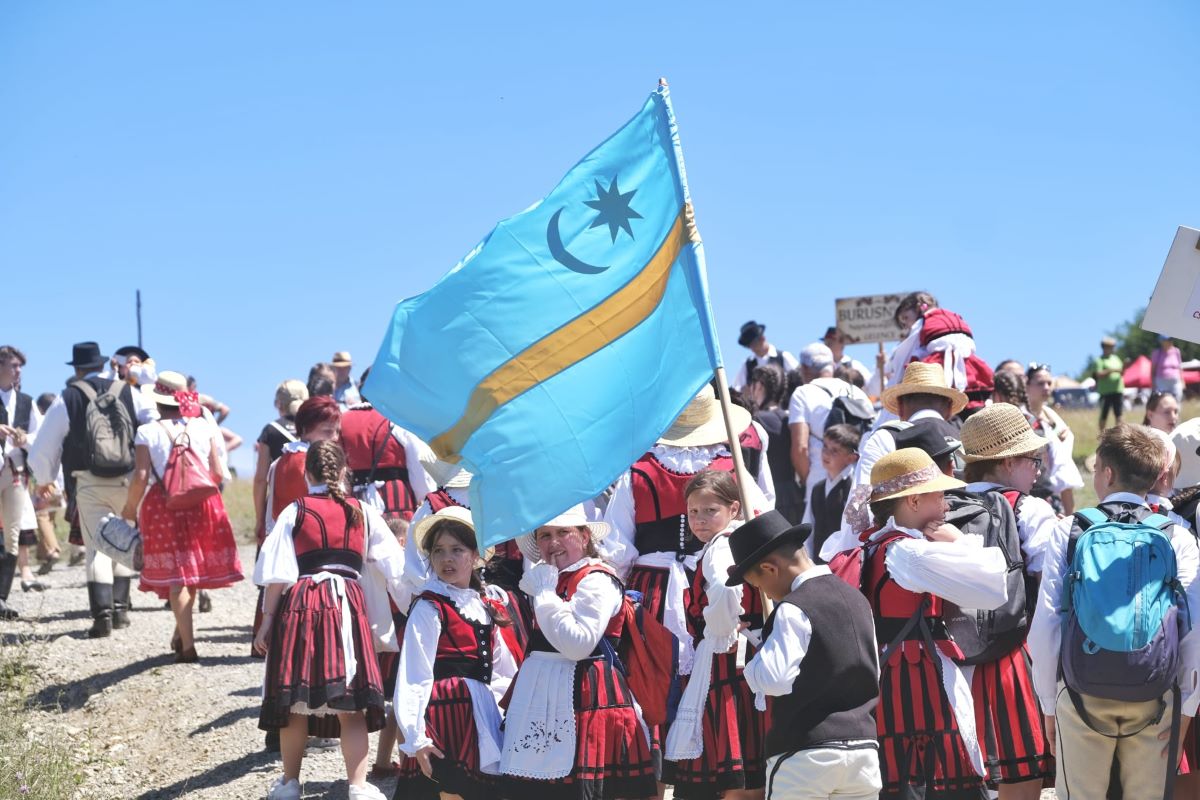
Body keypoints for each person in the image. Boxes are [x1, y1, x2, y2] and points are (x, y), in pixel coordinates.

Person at [1028, 423, 1200, 800]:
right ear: (1156, 476)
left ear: (1107, 472)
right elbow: (1193, 631)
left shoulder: (1070, 530)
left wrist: (1047, 703)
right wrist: (1185, 708)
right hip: (1155, 693)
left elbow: (1046, 625)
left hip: (1080, 692)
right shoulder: (1177, 535)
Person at [842, 448, 1008, 799]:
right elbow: (992, 588)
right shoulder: (908, 553)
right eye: (938, 495)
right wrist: (960, 542)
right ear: (914, 501)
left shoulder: (882, 544)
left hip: (900, 669)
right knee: (929, 774)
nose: (947, 505)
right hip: (916, 677)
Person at [253, 440, 404, 800]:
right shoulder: (362, 511)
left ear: (306, 474)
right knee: (349, 703)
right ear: (342, 472)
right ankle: (357, 785)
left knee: (294, 704)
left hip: (300, 602)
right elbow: (393, 564)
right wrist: (410, 601)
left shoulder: (295, 510)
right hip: (345, 606)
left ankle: (290, 784)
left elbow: (277, 572)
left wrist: (266, 621)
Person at [501, 505, 657, 800]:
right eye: (545, 535)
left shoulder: (596, 579)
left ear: (585, 537)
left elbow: (578, 643)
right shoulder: (549, 579)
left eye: (563, 532)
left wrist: (545, 595)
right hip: (543, 700)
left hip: (587, 694)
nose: (553, 542)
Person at [727, 510, 882, 800]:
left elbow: (775, 679)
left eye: (759, 585)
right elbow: (872, 671)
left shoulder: (793, 607)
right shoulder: (858, 600)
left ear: (770, 568)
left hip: (805, 754)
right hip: (863, 751)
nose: (767, 594)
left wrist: (755, 661)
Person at [956, 405, 1059, 798]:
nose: (1038, 470)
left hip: (949, 663)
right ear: (1009, 460)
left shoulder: (940, 505)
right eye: (1034, 460)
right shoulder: (1029, 509)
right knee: (1021, 779)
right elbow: (1052, 589)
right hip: (1013, 660)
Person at [393, 505, 519, 800]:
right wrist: (416, 737)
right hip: (444, 717)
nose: (446, 558)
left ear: (475, 556)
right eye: (438, 551)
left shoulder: (486, 606)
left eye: (456, 549)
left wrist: (509, 720)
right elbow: (414, 675)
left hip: (482, 717)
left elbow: (503, 673)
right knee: (450, 792)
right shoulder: (429, 607)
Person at [119, 371, 243, 662]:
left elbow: (141, 476)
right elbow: (215, 470)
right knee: (193, 569)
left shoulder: (147, 432)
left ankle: (188, 647)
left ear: (158, 401)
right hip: (203, 502)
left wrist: (129, 507)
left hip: (163, 506)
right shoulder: (202, 426)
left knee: (177, 576)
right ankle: (181, 632)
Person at [663, 470, 766, 800]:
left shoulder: (721, 547)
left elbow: (724, 588)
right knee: (749, 759)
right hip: (746, 655)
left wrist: (720, 629)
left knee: (733, 764)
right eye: (693, 511)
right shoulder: (742, 542)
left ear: (734, 509)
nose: (700, 519)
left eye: (710, 510)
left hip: (729, 660)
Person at [29, 342, 141, 638]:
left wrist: (44, 478)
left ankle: (102, 615)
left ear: (77, 369)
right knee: (124, 536)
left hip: (89, 481)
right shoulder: (128, 391)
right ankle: (122, 609)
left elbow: (44, 447)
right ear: (102, 364)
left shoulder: (70, 396)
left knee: (96, 546)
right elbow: (149, 429)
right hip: (127, 479)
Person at [788, 342, 872, 530]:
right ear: (832, 366)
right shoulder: (857, 392)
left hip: (821, 472)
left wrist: (808, 478)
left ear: (805, 369)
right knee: (855, 530)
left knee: (817, 534)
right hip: (857, 472)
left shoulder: (803, 393)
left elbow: (800, 447)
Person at [340, 381, 436, 522]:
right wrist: (426, 498)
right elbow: (419, 467)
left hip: (354, 504)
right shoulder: (397, 420)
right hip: (397, 505)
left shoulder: (341, 420)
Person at [0, 345, 46, 615]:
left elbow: (39, 438)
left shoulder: (27, 402)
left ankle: (1, 598)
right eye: (13, 365)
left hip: (15, 470)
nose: (18, 371)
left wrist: (23, 439)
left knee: (13, 534)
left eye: (19, 366)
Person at [252, 379, 309, 543]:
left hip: (279, 506)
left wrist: (259, 519)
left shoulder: (271, 430)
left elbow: (261, 479)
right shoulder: (313, 428)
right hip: (309, 504)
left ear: (279, 403)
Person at [744, 364, 801, 523]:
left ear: (760, 385)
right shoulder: (791, 418)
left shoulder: (755, 421)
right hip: (793, 494)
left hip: (767, 495)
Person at [1023, 365, 1084, 515]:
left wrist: (1070, 515)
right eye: (1040, 383)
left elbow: (1064, 465)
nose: (1046, 387)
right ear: (1027, 385)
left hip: (1052, 493)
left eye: (1049, 383)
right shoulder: (1021, 415)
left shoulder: (1050, 414)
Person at [809, 424, 860, 561]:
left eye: (835, 450)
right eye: (825, 446)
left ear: (851, 458)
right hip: (818, 563)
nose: (826, 453)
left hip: (843, 563)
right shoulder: (817, 488)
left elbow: (855, 533)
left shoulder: (854, 489)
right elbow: (811, 526)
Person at [732, 320, 798, 392]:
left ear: (762, 338)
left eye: (753, 344)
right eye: (748, 346)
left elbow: (798, 379)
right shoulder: (747, 364)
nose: (752, 348)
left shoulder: (783, 357)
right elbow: (737, 387)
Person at [824, 326, 878, 397]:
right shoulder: (820, 366)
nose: (826, 346)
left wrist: (879, 368)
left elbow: (873, 391)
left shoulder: (854, 365)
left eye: (830, 343)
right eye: (826, 343)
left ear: (842, 343)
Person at [1091, 336, 1126, 430]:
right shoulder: (1099, 360)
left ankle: (1120, 435)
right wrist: (1111, 370)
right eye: (1110, 347)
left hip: (1117, 390)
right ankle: (1101, 435)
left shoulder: (1116, 358)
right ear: (1104, 347)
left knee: (1119, 414)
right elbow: (1098, 374)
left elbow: (1122, 371)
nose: (1112, 349)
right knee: (1104, 414)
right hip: (1105, 392)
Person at [1152, 336, 1185, 401]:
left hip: (1175, 380)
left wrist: (1182, 381)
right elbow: (1153, 370)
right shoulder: (1156, 353)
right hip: (1161, 381)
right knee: (1163, 400)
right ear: (1162, 341)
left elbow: (1180, 367)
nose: (1170, 342)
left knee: (1178, 398)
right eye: (1168, 340)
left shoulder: (1176, 351)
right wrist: (1153, 383)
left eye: (1171, 340)